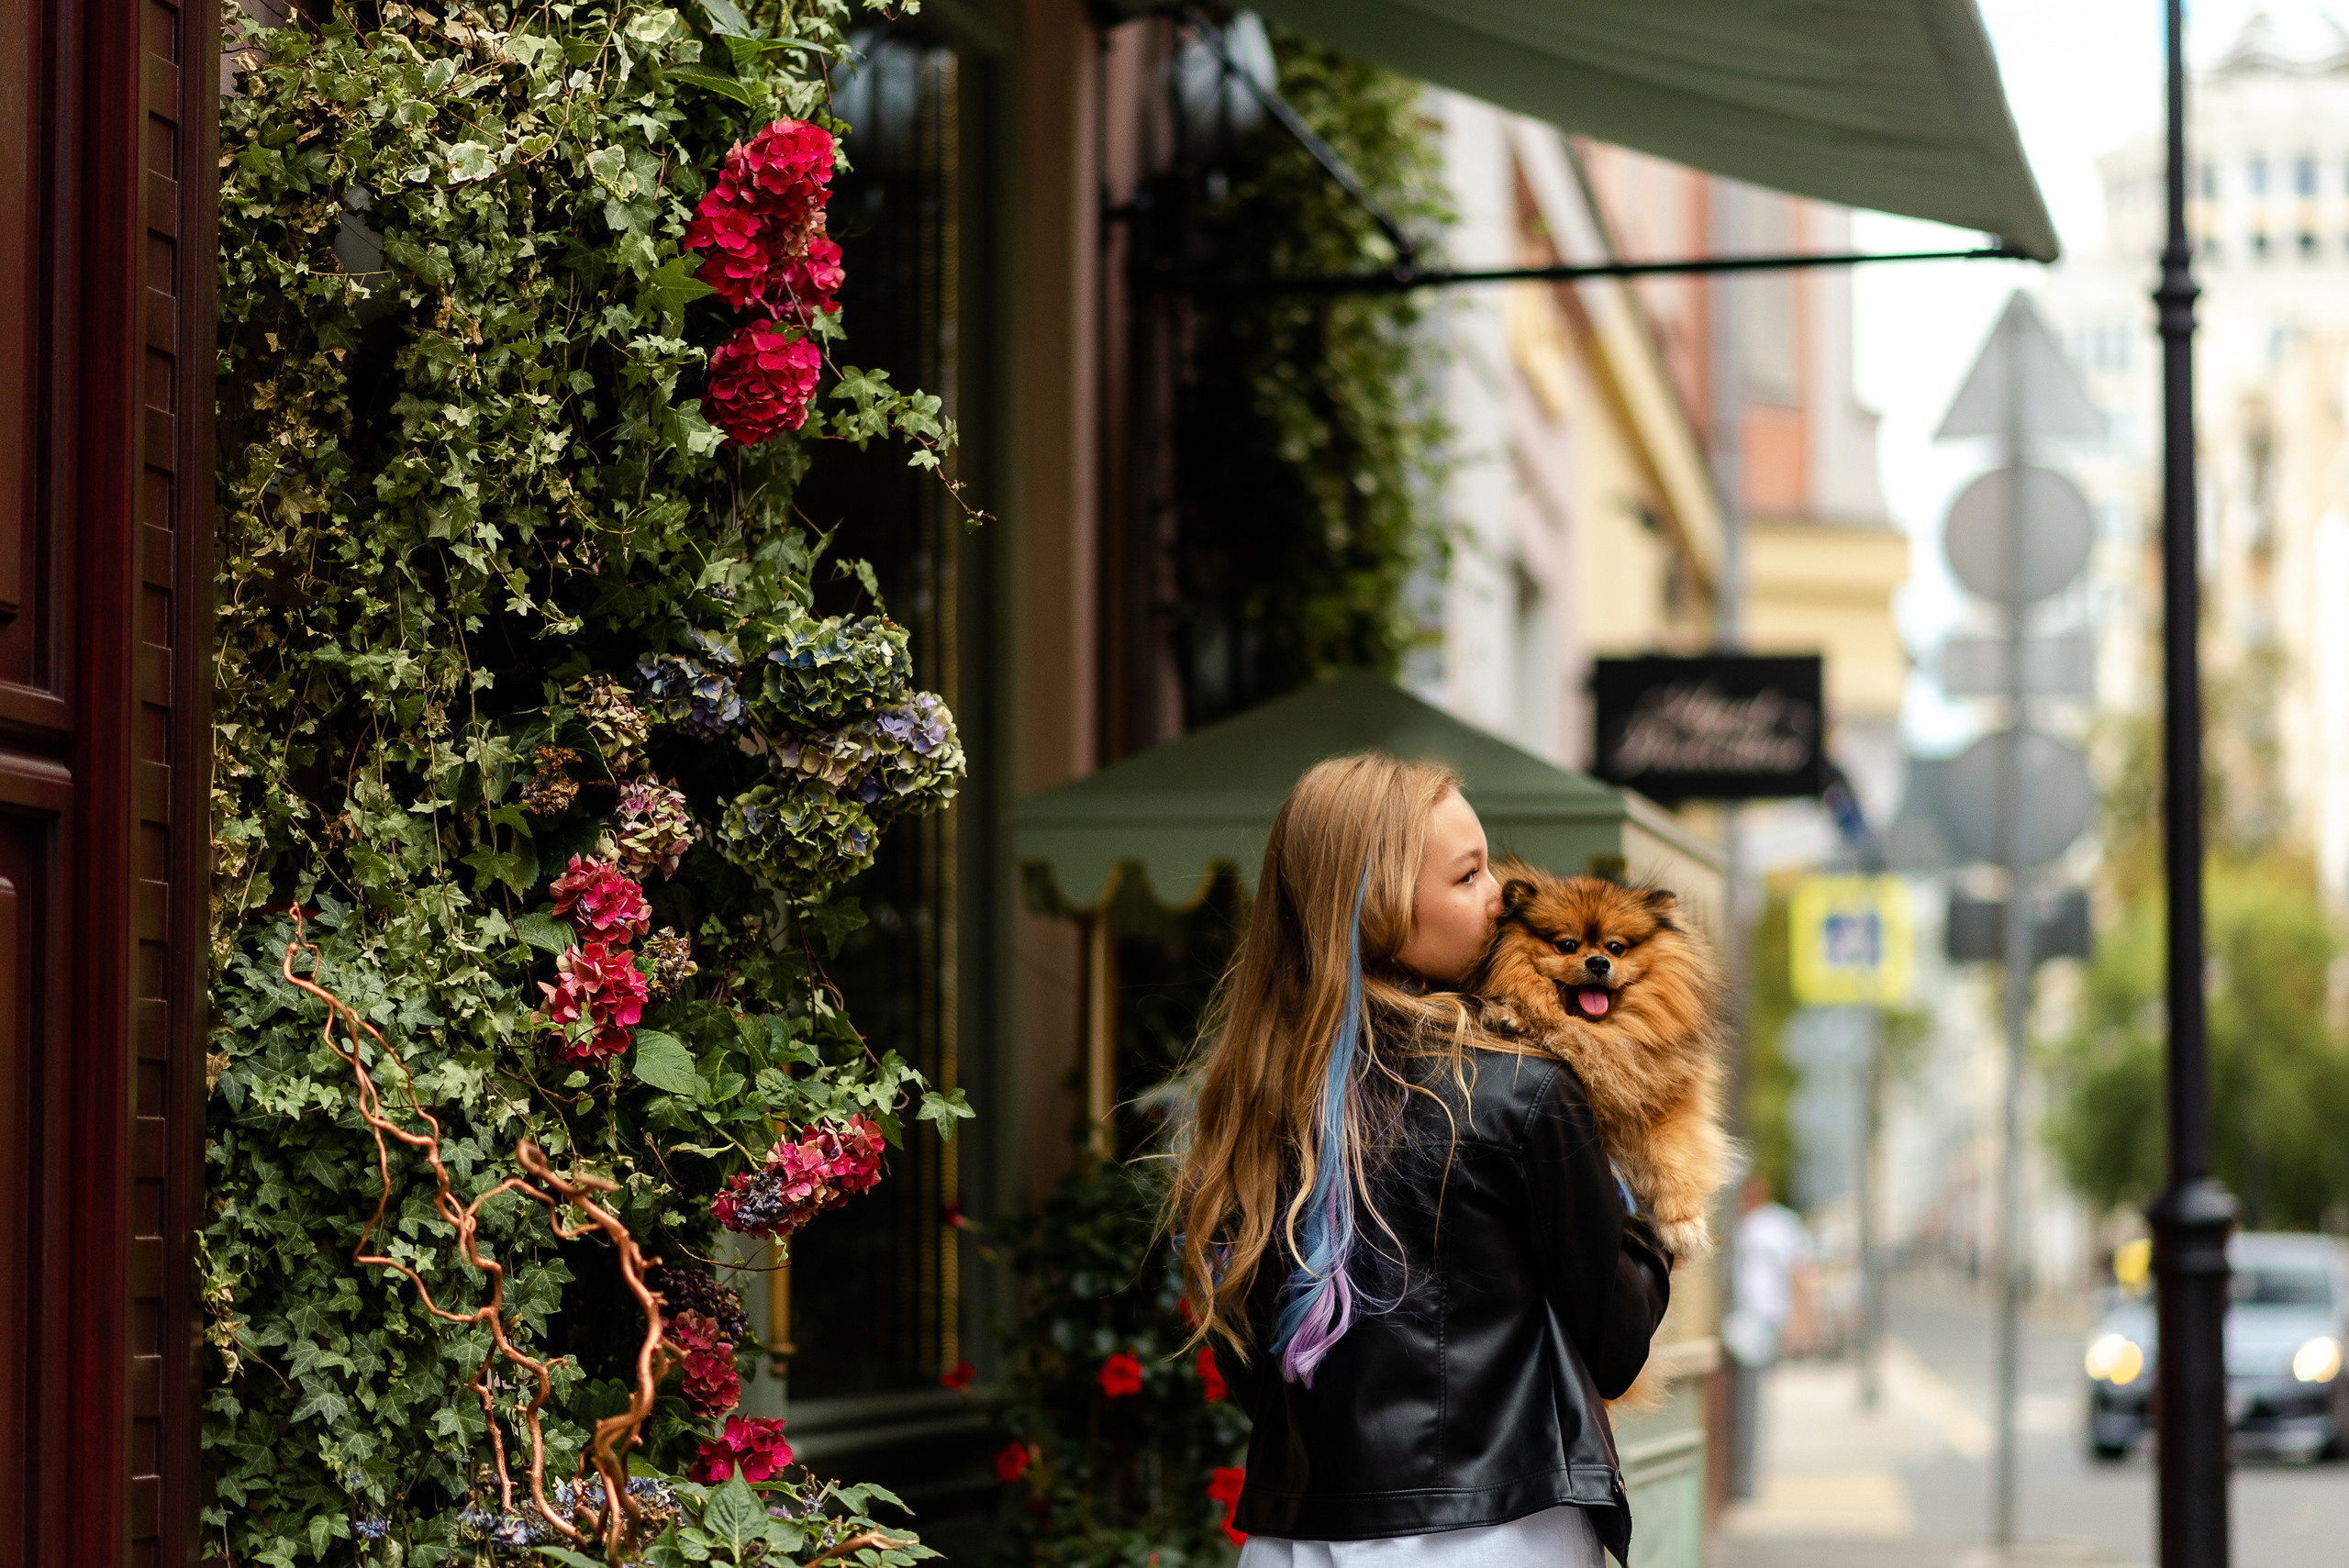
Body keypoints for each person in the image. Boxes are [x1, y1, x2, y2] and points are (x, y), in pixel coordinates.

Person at [1170, 753, 1675, 1568]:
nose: (1500, 897)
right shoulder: (1524, 1093)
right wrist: (1655, 1210)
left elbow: (1253, 1367)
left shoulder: (1248, 1100)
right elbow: (1615, 1343)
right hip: (1498, 1533)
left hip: (1302, 1543)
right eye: (1469, 874)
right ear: (1381, 907)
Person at [1720, 1173, 1814, 1500]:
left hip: (1763, 1323)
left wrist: (1801, 1324)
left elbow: (1801, 1273)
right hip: (1746, 1321)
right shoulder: (1744, 1225)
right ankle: (1744, 1481)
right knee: (1747, 1401)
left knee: (1750, 1401)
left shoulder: (1779, 1224)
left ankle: (1745, 1483)